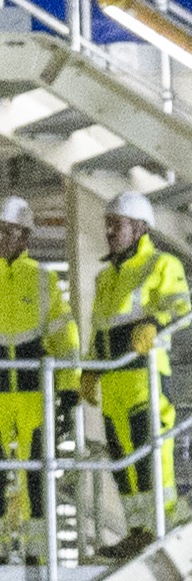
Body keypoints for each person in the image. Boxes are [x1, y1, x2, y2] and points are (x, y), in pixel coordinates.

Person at [0, 194, 72, 560]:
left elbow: (64, 341)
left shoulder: (44, 282)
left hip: (32, 398)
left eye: (6, 232)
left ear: (25, 237)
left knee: (37, 484)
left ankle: (40, 559)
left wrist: (68, 392)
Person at [97, 177, 189, 540]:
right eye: (107, 224)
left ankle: (162, 528)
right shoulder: (106, 278)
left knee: (152, 459)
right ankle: (137, 530)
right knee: (123, 464)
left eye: (115, 224)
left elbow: (181, 305)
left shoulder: (161, 265)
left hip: (144, 379)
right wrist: (87, 372)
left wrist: (154, 322)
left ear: (138, 228)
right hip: (112, 382)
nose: (108, 231)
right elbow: (99, 329)